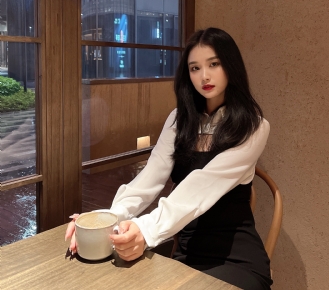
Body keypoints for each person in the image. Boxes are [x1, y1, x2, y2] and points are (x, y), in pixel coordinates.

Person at [66, 27, 273, 289]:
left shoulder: (254, 127)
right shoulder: (179, 120)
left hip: (236, 256)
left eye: (214, 64)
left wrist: (145, 229)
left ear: (231, 66)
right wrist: (108, 219)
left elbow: (199, 187)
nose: (204, 76)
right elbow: (149, 178)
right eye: (195, 68)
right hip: (187, 251)